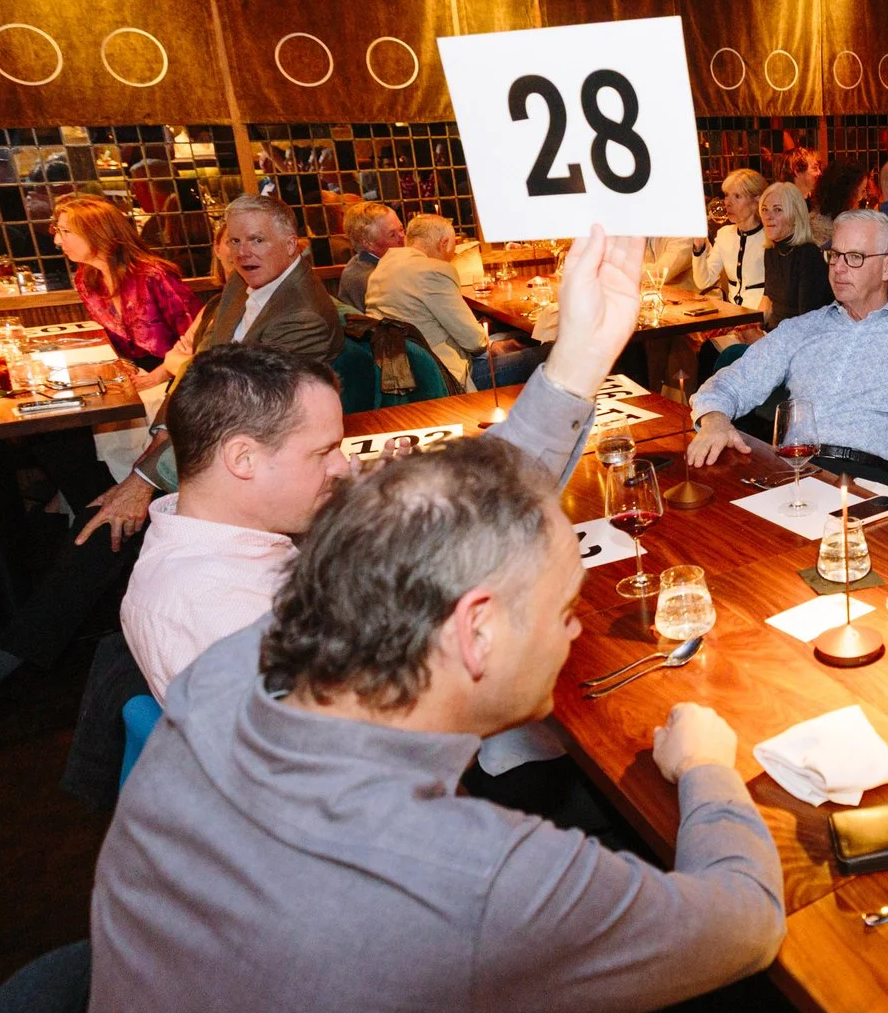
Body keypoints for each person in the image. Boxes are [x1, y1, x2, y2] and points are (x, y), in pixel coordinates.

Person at [89, 447, 888, 1013]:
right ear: (476, 630)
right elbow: (747, 920)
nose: (575, 629)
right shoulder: (468, 874)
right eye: (563, 609)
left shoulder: (224, 675)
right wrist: (706, 765)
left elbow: (434, 516)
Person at [0, 196, 347, 751]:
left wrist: (142, 482)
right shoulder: (240, 289)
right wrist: (154, 448)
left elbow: (237, 417)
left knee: (99, 531)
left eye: (256, 240)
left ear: (293, 245)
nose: (242, 252)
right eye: (234, 240)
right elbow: (198, 381)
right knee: (78, 480)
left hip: (251, 465)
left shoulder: (301, 314)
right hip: (208, 451)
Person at [121, 232, 634, 704]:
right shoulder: (218, 611)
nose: (342, 466)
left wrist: (579, 362)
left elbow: (480, 502)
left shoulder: (242, 533)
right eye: (323, 452)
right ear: (243, 459)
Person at [687, 209, 888, 500]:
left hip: (873, 485)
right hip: (794, 471)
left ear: (887, 267)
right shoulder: (801, 330)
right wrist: (715, 420)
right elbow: (731, 383)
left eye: (854, 257)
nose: (838, 269)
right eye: (834, 255)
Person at [368, 213, 534, 390]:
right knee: (546, 352)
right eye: (453, 251)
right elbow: (475, 342)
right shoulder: (433, 270)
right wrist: (491, 345)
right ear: (443, 243)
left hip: (403, 370)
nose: (451, 256)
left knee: (512, 337)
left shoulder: (385, 264)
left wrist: (492, 343)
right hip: (445, 378)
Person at [52, 193, 200, 390]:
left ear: (97, 233)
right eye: (57, 231)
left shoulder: (152, 276)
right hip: (134, 375)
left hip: (180, 376)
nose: (57, 240)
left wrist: (157, 377)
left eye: (65, 231)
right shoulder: (86, 279)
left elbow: (199, 337)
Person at [691, 169, 770, 313]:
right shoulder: (724, 235)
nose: (728, 202)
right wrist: (699, 246)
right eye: (727, 195)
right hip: (732, 315)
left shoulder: (770, 237)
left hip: (761, 316)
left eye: (737, 196)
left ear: (756, 201)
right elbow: (704, 282)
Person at [755, 181, 829, 326]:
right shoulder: (771, 250)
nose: (768, 216)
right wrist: (750, 326)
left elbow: (806, 321)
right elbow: (768, 302)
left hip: (795, 335)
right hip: (774, 332)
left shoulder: (808, 254)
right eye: (764, 209)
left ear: (795, 216)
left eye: (777, 210)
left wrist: (763, 337)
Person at [337, 201, 403, 312]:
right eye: (392, 234)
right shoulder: (370, 279)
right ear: (368, 243)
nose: (402, 237)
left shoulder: (364, 261)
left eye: (401, 229)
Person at [808, 160, 868, 246]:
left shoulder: (813, 221)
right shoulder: (830, 232)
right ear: (848, 194)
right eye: (862, 191)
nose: (865, 196)